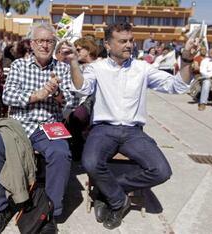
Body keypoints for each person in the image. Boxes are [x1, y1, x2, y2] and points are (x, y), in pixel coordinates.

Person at [66, 22, 198, 230]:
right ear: (108, 45)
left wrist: (188, 59)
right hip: (103, 129)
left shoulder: (142, 68)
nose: (129, 45)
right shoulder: (96, 68)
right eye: (123, 41)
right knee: (90, 162)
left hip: (133, 132)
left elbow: (177, 85)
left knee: (161, 171)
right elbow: (82, 88)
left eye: (131, 40)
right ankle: (120, 201)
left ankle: (108, 192)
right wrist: (74, 63)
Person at [0, 23, 78, 234]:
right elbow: (7, 97)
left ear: (55, 44)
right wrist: (37, 95)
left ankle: (50, 212)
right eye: (40, 40)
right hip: (18, 125)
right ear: (32, 43)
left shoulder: (62, 68)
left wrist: (56, 94)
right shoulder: (19, 65)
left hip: (48, 125)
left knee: (61, 153)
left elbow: (71, 101)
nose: (45, 45)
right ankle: (1, 208)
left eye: (49, 41)